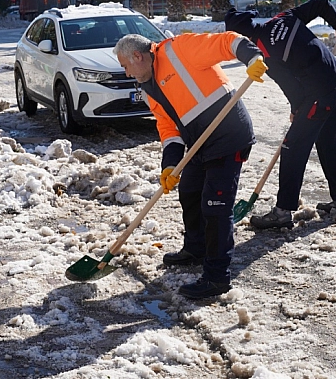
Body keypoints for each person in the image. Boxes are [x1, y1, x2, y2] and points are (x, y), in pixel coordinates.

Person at [113, 32, 266, 299]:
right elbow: (168, 127)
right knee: (190, 192)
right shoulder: (148, 87)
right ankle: (197, 248)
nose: (126, 73)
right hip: (199, 143)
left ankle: (217, 277)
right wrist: (170, 165)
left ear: (137, 56)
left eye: (125, 66)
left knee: (215, 207)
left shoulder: (179, 50)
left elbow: (227, 42)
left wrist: (252, 57)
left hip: (228, 136)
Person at [225, 0, 336, 230]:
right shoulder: (282, 18)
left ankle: (282, 212)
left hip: (319, 93)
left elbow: (292, 87)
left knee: (292, 147)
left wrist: (297, 110)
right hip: (335, 81)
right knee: (329, 143)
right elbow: (320, 4)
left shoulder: (265, 52)